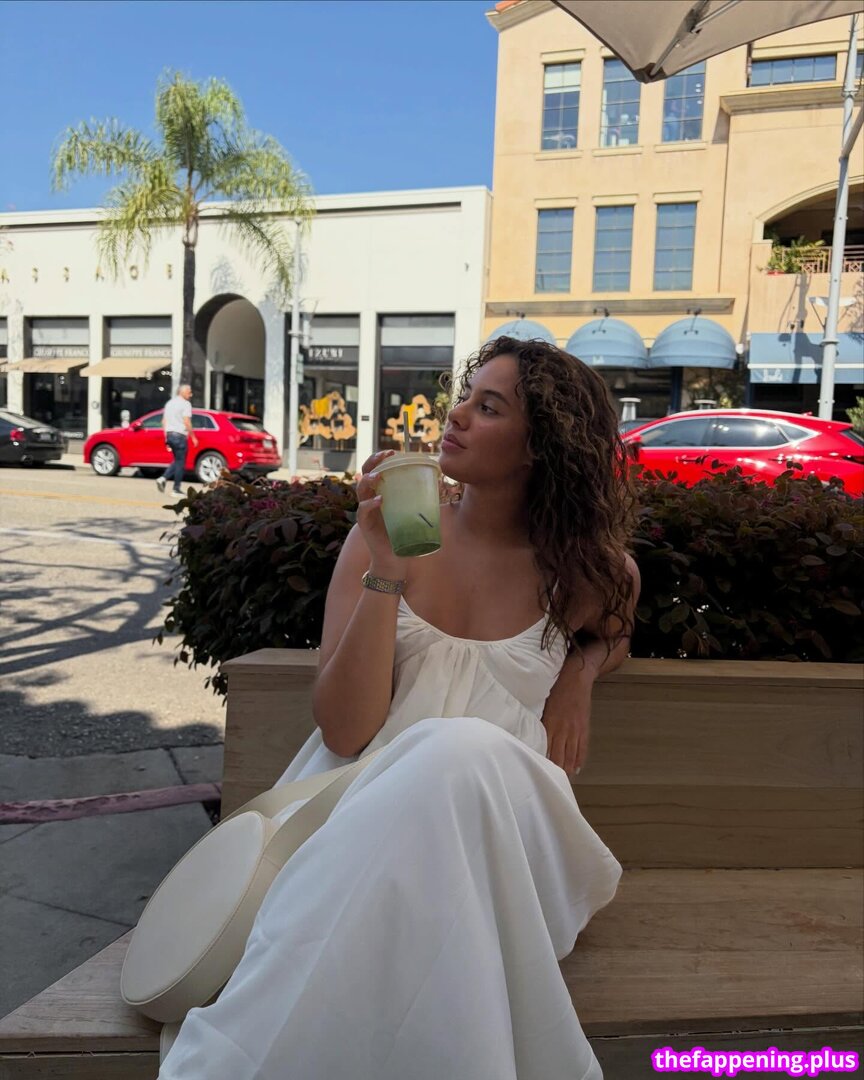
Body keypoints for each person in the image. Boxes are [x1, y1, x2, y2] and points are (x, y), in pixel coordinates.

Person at [160, 336, 641, 1080]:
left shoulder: (584, 572)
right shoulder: (388, 540)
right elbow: (347, 730)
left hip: (506, 851)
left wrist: (579, 672)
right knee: (447, 753)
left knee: (459, 752)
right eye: (465, 397)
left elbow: (616, 632)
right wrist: (386, 568)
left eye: (489, 407)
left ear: (541, 446)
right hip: (360, 816)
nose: (456, 416)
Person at [156, 384, 198, 496]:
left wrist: (166, 437)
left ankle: (163, 478)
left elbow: (164, 421)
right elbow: (186, 421)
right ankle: (176, 489)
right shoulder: (186, 404)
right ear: (182, 392)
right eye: (189, 392)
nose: (191, 395)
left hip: (170, 434)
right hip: (179, 435)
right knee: (180, 463)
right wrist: (193, 437)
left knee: (178, 460)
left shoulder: (169, 403)